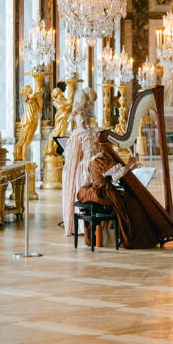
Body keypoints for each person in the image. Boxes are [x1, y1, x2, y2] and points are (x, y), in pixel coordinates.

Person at [77, 135, 173, 248]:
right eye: (108, 144)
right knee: (133, 203)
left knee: (131, 200)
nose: (110, 146)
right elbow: (115, 176)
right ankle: (136, 237)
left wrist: (131, 167)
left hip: (100, 190)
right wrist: (129, 163)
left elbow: (111, 176)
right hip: (106, 193)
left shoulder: (92, 160)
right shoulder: (100, 159)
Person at [62, 87, 98, 235]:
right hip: (81, 172)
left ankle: (72, 225)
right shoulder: (85, 135)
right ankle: (83, 226)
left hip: (70, 170)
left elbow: (70, 155)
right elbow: (89, 158)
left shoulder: (74, 134)